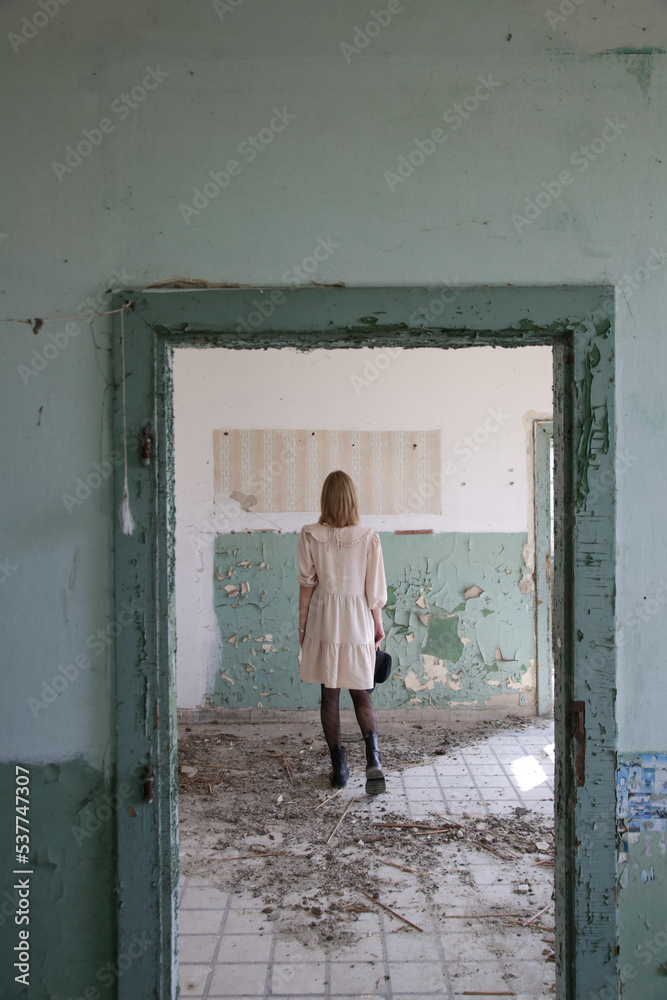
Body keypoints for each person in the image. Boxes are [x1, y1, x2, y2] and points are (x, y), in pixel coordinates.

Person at [297, 470, 387, 794]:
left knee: (329, 694)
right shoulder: (368, 536)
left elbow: (307, 586)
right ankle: (373, 758)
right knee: (361, 691)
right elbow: (374, 590)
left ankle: (338, 768)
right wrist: (377, 627)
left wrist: (303, 626)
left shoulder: (310, 534)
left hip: (324, 619)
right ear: (352, 499)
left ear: (325, 499)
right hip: (358, 619)